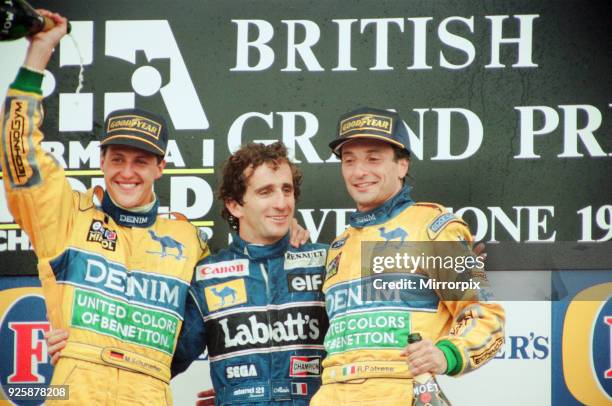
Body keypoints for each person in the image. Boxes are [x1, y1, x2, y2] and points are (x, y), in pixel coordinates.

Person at [0, 10, 210, 405]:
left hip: (150, 389)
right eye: (117, 159)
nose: (126, 173)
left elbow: (202, 325)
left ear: (161, 167)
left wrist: (294, 236)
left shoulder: (187, 239)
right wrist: (39, 52)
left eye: (141, 161)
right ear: (102, 160)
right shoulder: (66, 217)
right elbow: (18, 155)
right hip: (76, 388)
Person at [310, 107, 505, 405]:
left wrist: (445, 355)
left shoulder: (432, 228)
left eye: (373, 158)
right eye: (349, 161)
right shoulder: (340, 243)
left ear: (402, 165)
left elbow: (485, 317)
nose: (359, 171)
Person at [171, 142, 329, 405]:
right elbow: (161, 363)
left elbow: (370, 341)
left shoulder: (326, 261)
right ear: (235, 205)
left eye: (286, 190)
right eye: (266, 192)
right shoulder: (208, 275)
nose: (281, 203)